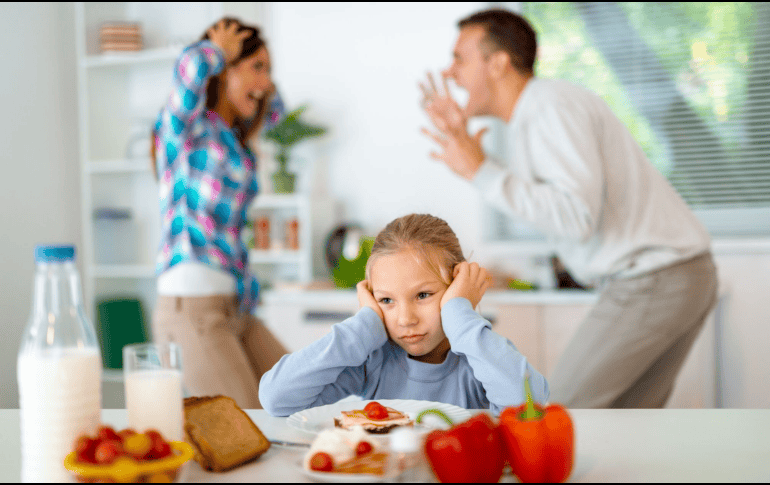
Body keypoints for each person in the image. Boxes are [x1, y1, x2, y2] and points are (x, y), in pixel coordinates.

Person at [419, 8, 718, 408]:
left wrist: (481, 170)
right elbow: (560, 205)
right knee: (629, 425)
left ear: (498, 63)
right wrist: (478, 160)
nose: (451, 72)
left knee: (562, 414)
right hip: (673, 275)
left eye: (460, 58)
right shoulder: (538, 112)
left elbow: (575, 216)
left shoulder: (548, 107)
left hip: (655, 278)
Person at [259, 213, 548, 416]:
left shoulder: (480, 358)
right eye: (386, 300)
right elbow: (276, 399)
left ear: (457, 287)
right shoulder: (373, 362)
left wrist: (460, 314)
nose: (406, 319)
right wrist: (362, 326)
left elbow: (532, 406)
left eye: (423, 295)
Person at [150, 18, 289, 409]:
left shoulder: (233, 140)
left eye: (269, 70)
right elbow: (190, 70)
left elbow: (278, 114)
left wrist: (259, 81)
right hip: (191, 309)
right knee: (247, 427)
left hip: (235, 307)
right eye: (256, 67)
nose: (265, 83)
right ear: (223, 70)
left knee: (301, 397)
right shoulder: (186, 131)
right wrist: (218, 51)